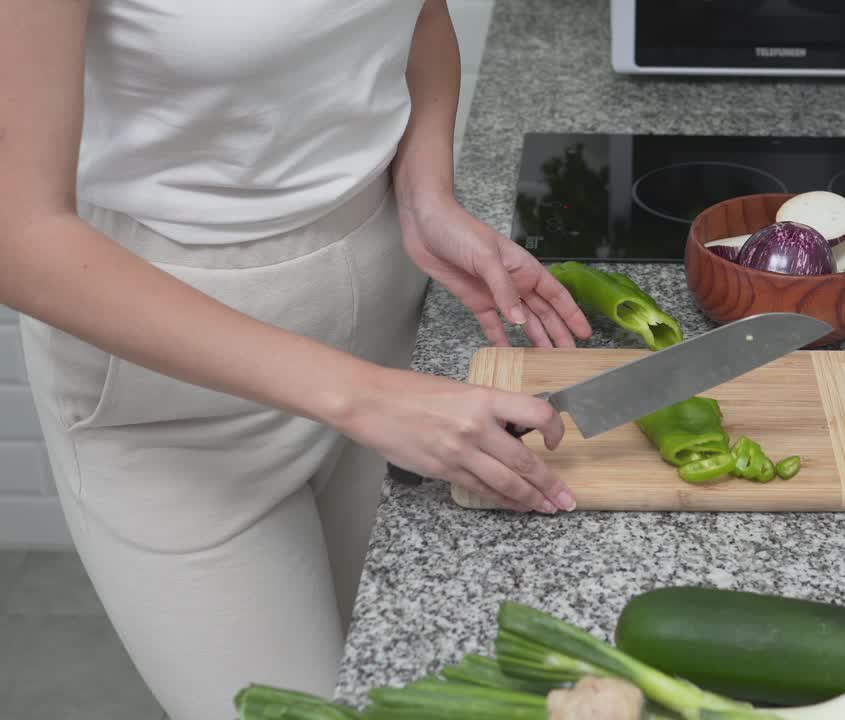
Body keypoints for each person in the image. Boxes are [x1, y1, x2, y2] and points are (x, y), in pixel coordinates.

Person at [0, 2, 593, 718]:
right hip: (177, 402)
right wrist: (369, 397)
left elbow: (417, 16)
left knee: (388, 679)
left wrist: (425, 190)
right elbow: (19, 238)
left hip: (386, 330)